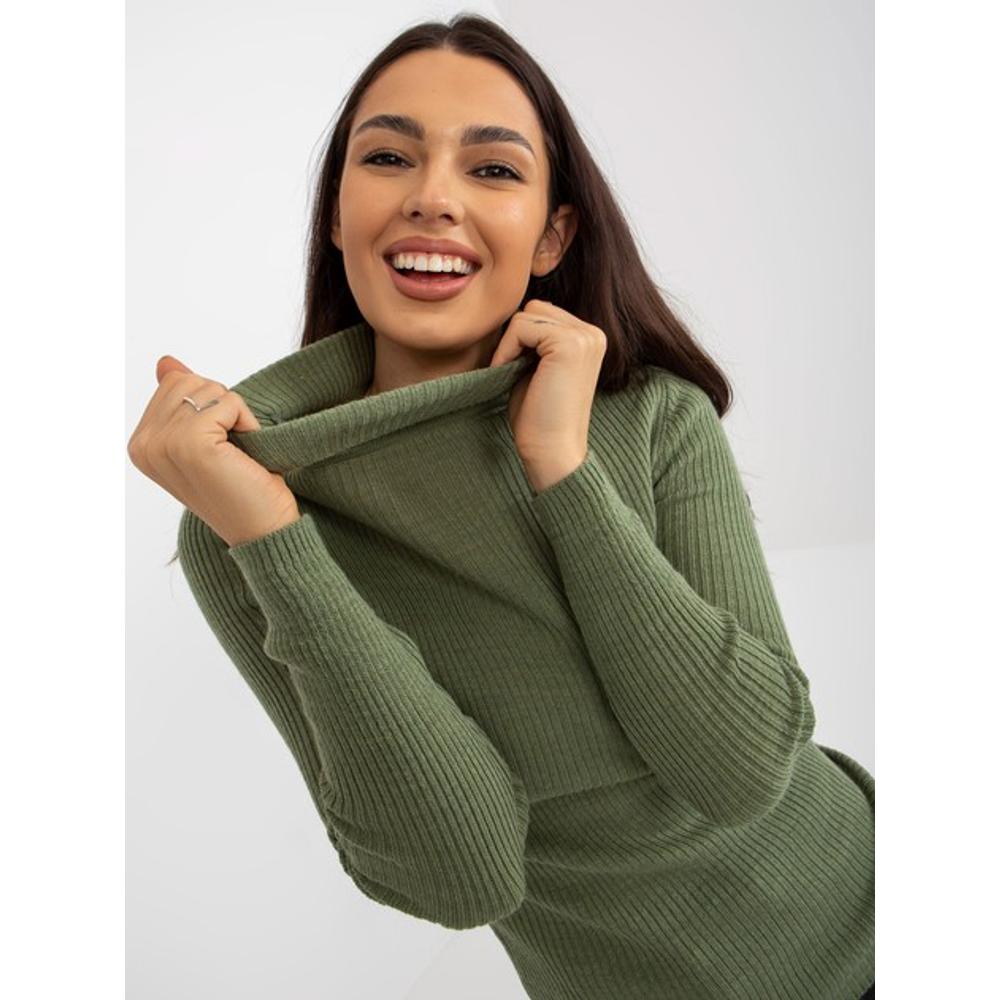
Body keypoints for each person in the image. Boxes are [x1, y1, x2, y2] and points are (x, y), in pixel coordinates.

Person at [128, 14, 874, 1000]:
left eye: (491, 169)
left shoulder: (650, 414)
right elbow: (461, 876)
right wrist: (276, 540)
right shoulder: (240, 519)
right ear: (337, 213)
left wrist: (561, 468)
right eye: (388, 157)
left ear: (553, 233)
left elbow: (742, 771)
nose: (432, 198)